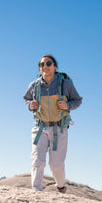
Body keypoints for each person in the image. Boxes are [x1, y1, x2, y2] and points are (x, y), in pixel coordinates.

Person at [24, 55, 82, 193]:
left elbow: (78, 100)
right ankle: (36, 191)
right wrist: (30, 105)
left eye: (48, 63)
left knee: (56, 165)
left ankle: (61, 186)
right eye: (42, 64)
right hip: (40, 128)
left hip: (59, 129)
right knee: (37, 161)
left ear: (55, 67)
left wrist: (67, 105)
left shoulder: (65, 84)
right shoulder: (35, 85)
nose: (45, 66)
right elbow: (26, 98)